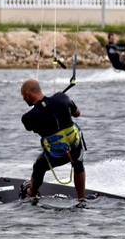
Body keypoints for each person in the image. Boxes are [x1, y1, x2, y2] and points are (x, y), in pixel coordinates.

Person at [20, 78, 87, 206]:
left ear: (28, 94)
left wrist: (47, 104)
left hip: (57, 154)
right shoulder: (62, 98)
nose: (24, 99)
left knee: (39, 166)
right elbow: (77, 113)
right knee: (78, 164)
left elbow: (32, 127)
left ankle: (31, 193)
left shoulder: (28, 117)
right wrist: (62, 98)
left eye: (24, 96)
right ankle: (82, 198)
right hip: (74, 146)